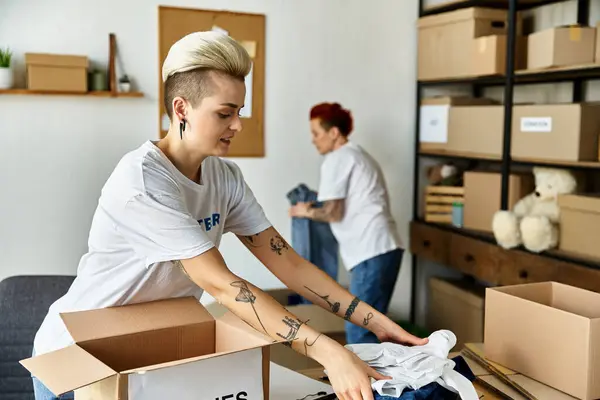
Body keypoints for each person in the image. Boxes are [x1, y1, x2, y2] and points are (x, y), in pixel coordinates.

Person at [31, 32, 426, 400]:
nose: (237, 125)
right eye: (225, 113)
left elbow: (287, 263)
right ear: (181, 108)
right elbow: (221, 284)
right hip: (76, 358)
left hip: (150, 349)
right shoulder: (142, 181)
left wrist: (374, 320)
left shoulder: (225, 176)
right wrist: (328, 351)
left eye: (239, 111)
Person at [289, 103, 405, 345]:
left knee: (360, 330)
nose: (313, 140)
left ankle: (364, 383)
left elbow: (333, 212)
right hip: (382, 249)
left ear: (334, 133)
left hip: (371, 252)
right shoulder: (357, 155)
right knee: (373, 327)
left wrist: (305, 211)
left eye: (316, 133)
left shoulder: (338, 158)